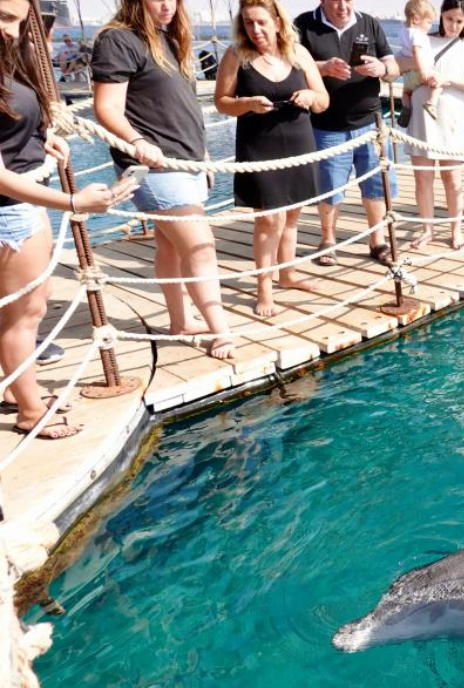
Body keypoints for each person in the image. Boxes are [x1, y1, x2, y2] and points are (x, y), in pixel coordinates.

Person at [1, 0, 135, 439]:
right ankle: (29, 411)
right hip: (10, 214)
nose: (13, 32)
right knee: (22, 317)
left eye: (20, 22)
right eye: (4, 18)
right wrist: (73, 203)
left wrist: (42, 139)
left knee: (27, 310)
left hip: (22, 207)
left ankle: (19, 392)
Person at [91, 0, 237, 359]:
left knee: (169, 245)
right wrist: (139, 142)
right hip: (155, 167)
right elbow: (107, 107)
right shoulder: (118, 39)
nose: (168, 4)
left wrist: (202, 158)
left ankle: (180, 321)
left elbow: (180, 106)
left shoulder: (169, 39)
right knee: (201, 248)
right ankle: (221, 332)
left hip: (185, 161)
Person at [215, 0, 328, 317]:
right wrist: (247, 103)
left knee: (292, 215)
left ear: (278, 22)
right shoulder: (236, 56)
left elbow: (323, 101)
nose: (255, 29)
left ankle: (288, 273)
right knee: (267, 220)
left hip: (298, 144)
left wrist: (310, 96)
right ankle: (264, 290)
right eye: (249, 23)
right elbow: (222, 102)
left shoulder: (299, 54)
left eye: (261, 22)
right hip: (259, 147)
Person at [294, 0, 401, 267]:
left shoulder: (370, 23)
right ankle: (328, 240)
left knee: (376, 186)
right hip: (326, 125)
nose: (343, 6)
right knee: (330, 187)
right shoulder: (304, 25)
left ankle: (377, 242)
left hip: (371, 124)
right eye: (335, 0)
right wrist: (323, 67)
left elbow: (393, 66)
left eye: (348, 0)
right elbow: (291, 65)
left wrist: (383, 69)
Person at [406, 0, 464, 251]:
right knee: (422, 177)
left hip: (452, 116)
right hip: (422, 113)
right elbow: (410, 69)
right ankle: (427, 229)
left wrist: (447, 78)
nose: (454, 25)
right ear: (441, 16)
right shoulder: (424, 38)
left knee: (452, 177)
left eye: (460, 21)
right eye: (450, 19)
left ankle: (456, 228)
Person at [396, 0, 438, 121]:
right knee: (439, 83)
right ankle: (431, 103)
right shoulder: (418, 34)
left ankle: (406, 108)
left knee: (406, 93)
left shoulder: (404, 32)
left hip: (408, 74)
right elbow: (416, 52)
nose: (430, 26)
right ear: (416, 19)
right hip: (420, 72)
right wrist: (423, 70)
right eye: (429, 22)